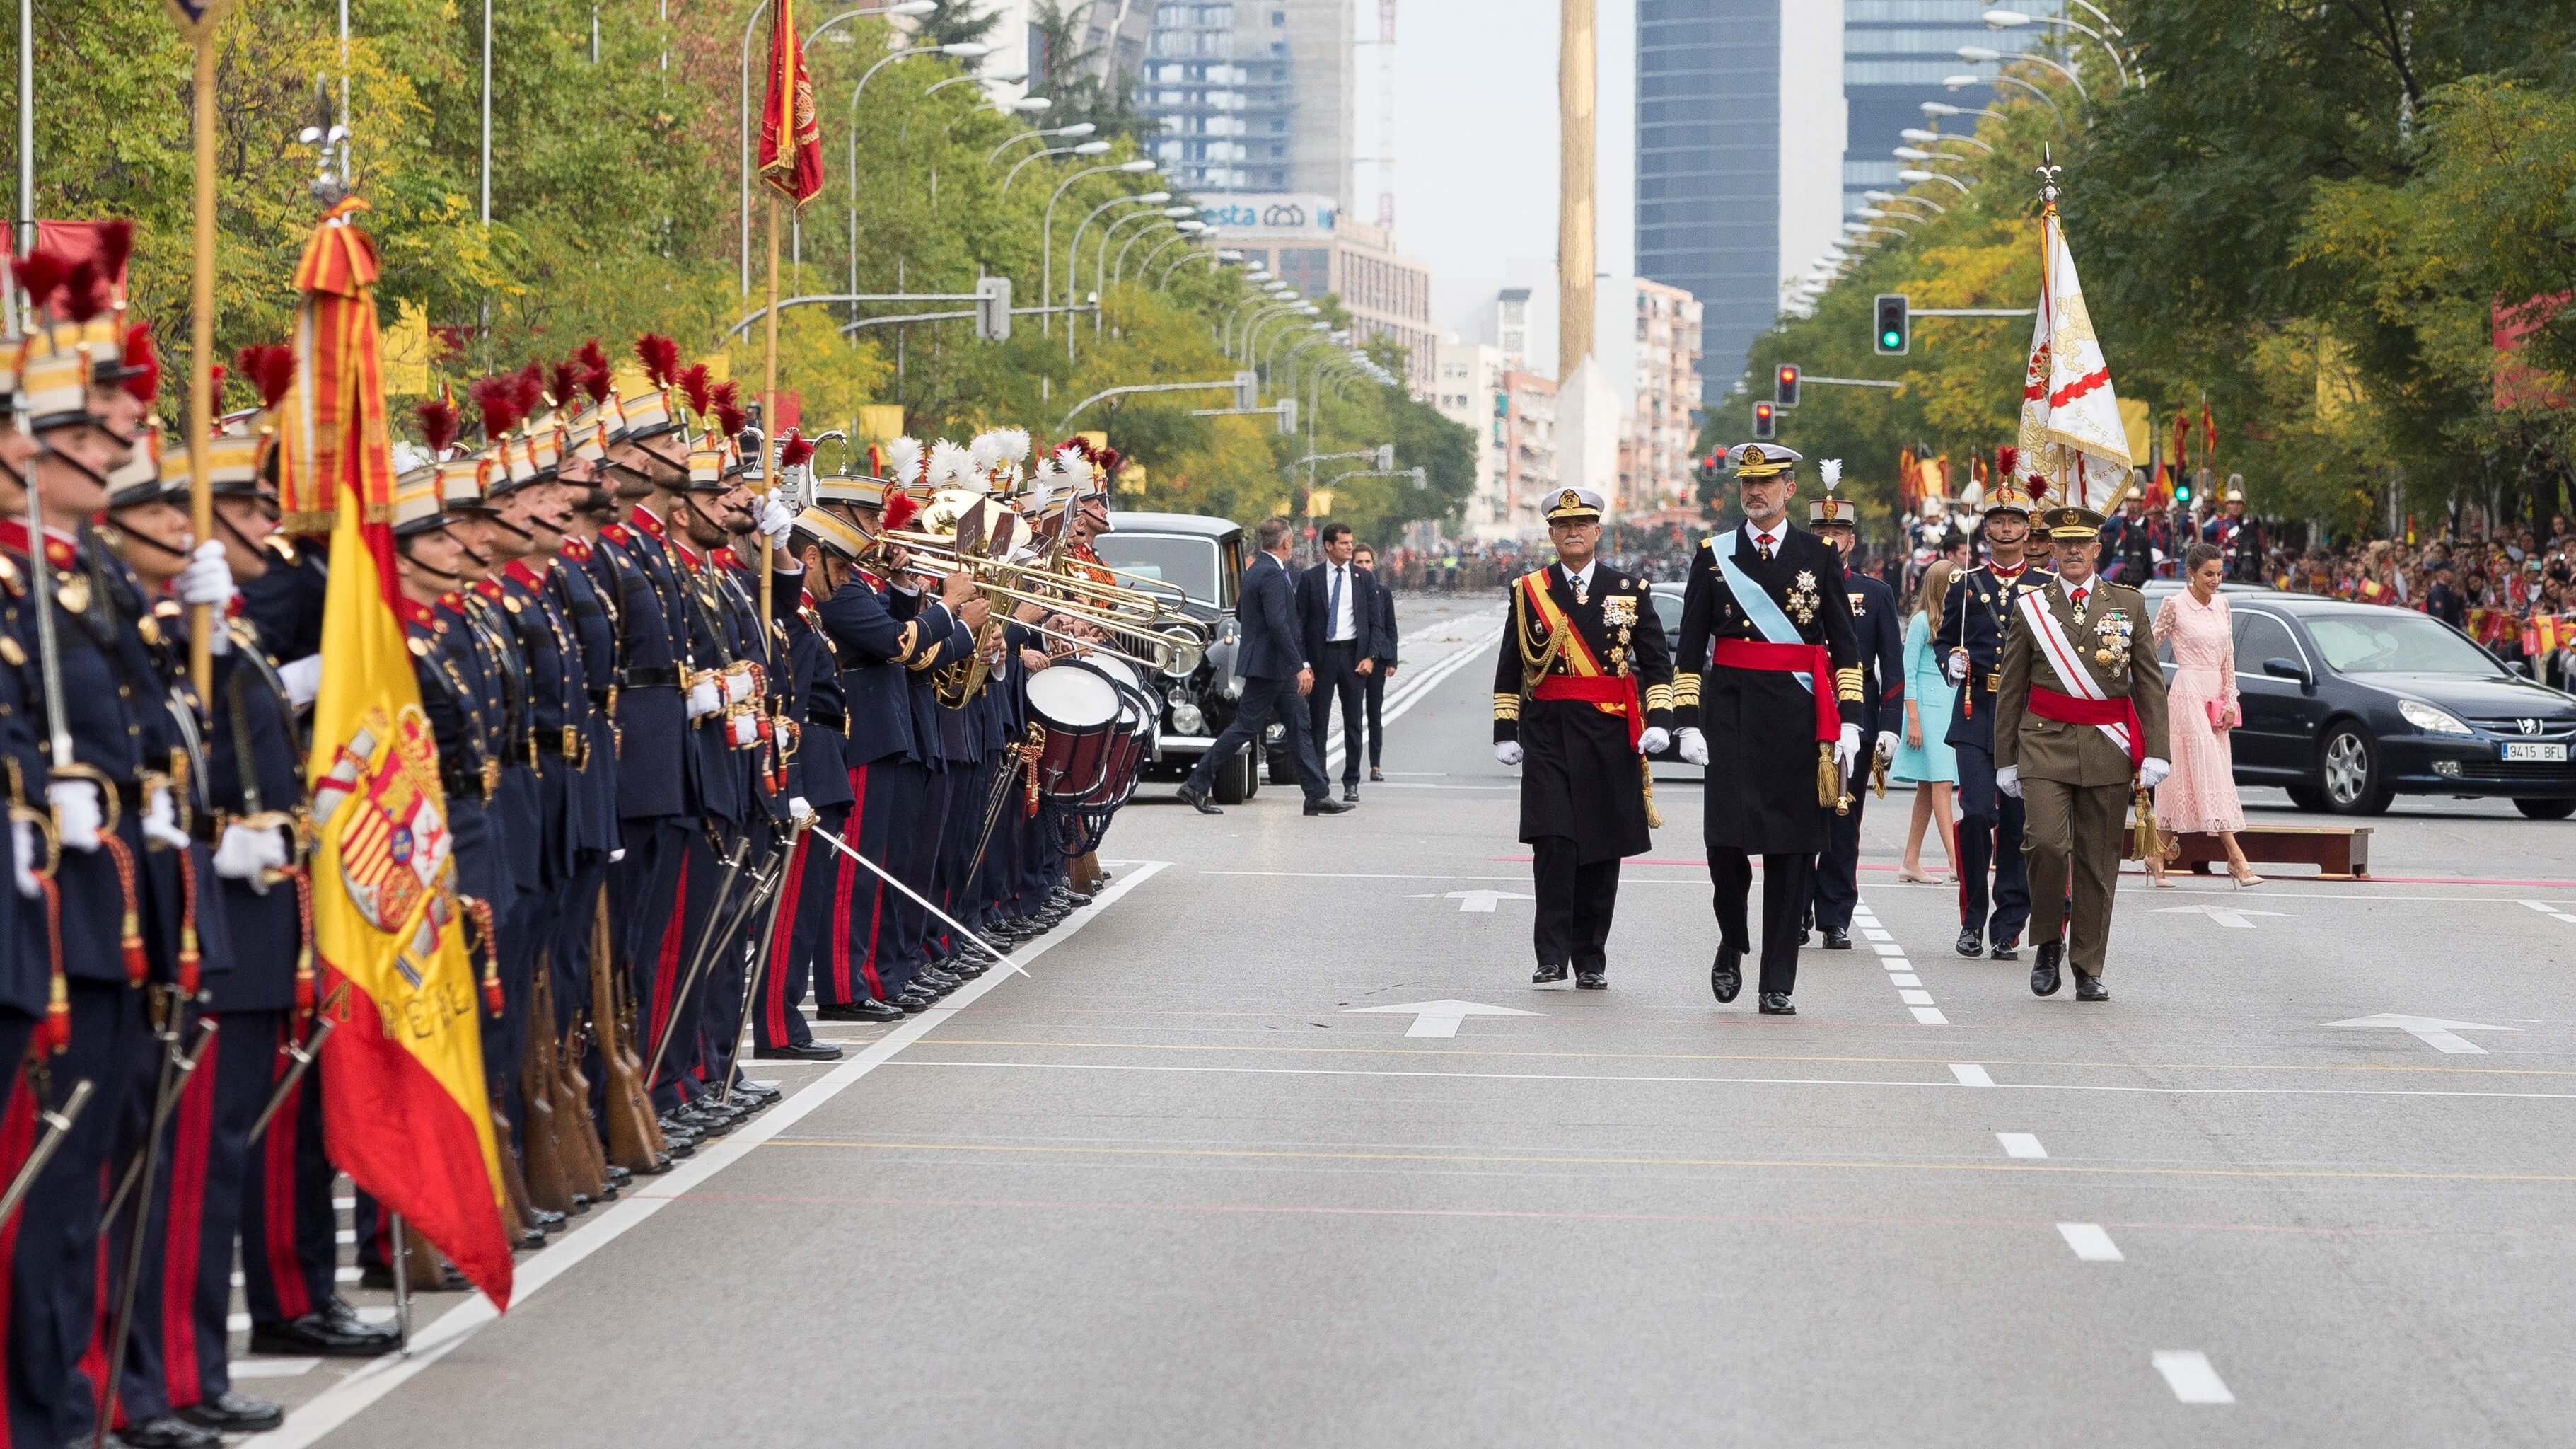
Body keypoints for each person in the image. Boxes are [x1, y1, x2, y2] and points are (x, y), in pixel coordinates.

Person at [1672, 444, 1866, 1016]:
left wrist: (1850, 720)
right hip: (1730, 717)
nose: (1755, 492)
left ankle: (1777, 980)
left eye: (1767, 482)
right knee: (1724, 847)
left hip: (1797, 721)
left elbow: (1845, 649)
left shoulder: (1819, 555)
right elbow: (1688, 649)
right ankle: (1733, 939)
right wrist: (1687, 722)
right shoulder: (1714, 556)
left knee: (1791, 853)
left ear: (1789, 488)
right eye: (1746, 484)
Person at [1491, 486, 1673, 988]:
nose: (1573, 532)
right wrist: (1505, 730)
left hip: (1609, 733)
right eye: (1563, 525)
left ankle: (1590, 958)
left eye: (1583, 524)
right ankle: (1550, 956)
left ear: (1597, 532)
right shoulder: (1529, 590)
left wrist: (1660, 721)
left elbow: (1657, 663)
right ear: (1551, 534)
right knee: (1553, 844)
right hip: (1547, 731)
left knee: (1600, 848)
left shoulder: (1629, 589)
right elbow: (1510, 665)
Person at [1993, 500, 2171, 1002]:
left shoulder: (2128, 604)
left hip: (2106, 748)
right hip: (2044, 742)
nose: (2073, 551)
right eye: (2063, 543)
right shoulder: (2032, 607)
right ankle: (2049, 939)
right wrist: (2004, 757)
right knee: (2047, 845)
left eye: (2082, 544)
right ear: (2050, 548)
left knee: (2097, 863)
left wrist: (2156, 750)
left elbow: (2149, 684)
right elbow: (2011, 686)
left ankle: (2088, 965)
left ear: (2097, 548)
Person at [1937, 456, 2054, 963]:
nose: (2005, 529)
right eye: (1998, 521)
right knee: (1978, 811)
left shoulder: (2047, 588)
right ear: (1984, 529)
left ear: (2028, 530)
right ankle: (1971, 917)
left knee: (2017, 822)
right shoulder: (1966, 583)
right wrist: (1952, 662)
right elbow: (1943, 643)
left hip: (2026, 718)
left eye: (2014, 522)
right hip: (1975, 711)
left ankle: (2009, 923)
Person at [1178, 516, 1345, 816]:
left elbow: (1243, 613)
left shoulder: (1256, 570)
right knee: (1247, 728)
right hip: (1273, 668)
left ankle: (1316, 794)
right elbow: (1279, 623)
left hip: (1269, 666)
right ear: (1286, 542)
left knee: (1298, 726)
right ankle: (1196, 784)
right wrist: (1299, 665)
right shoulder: (1271, 574)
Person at [1802, 465, 1901, 950]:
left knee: (1844, 816)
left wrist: (1891, 728)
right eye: (1820, 530)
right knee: (1799, 816)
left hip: (1853, 714)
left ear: (1851, 538)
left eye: (1837, 531)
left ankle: (1835, 914)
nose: (1829, 538)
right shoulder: (1792, 587)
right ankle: (1796, 908)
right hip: (1800, 710)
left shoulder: (1876, 593)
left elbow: (1892, 668)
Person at [2150, 543, 2261, 887]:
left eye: (2219, 574)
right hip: (2186, 694)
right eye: (2208, 574)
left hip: (2214, 696)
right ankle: (2237, 859)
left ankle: (2156, 856)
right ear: (2191, 574)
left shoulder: (2223, 605)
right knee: (2209, 777)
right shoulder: (2173, 606)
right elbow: (2148, 646)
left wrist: (2231, 701)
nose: (2215, 580)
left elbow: (2229, 658)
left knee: (2189, 778)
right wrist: (2149, 690)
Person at [1297, 521, 1376, 803]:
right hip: (1322, 657)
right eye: (1343, 543)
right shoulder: (1311, 579)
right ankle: (1319, 780)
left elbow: (1374, 622)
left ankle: (1352, 780)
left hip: (1353, 656)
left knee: (1353, 721)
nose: (1349, 547)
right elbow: (1301, 624)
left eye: (1350, 542)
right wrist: (1304, 662)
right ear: (1329, 546)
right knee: (1318, 720)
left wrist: (1370, 656)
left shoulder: (1363, 578)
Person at [1895, 558, 1961, 884]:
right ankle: (1955, 861)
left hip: (1947, 706)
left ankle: (1911, 860)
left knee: (1928, 787)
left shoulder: (1956, 623)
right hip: (1926, 709)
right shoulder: (1921, 621)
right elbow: (1906, 671)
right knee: (1942, 783)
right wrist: (1913, 720)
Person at [1352, 543, 1398, 782]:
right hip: (1353, 659)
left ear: (1374, 564)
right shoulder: (1346, 590)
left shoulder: (1383, 592)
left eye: (1367, 562)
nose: (1363, 566)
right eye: (1359, 562)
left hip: (1378, 661)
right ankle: (1352, 765)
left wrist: (1392, 659)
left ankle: (1375, 765)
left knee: (1374, 713)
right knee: (1352, 714)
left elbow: (1390, 627)